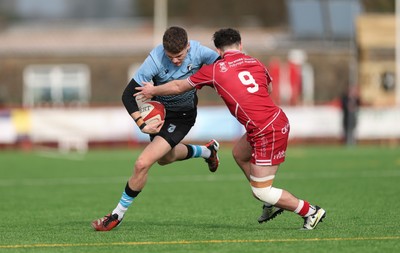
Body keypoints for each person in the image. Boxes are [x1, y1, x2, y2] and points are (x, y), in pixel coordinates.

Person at [136, 28, 326, 230]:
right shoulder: (256, 63)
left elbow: (177, 87)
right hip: (272, 121)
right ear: (241, 45)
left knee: (261, 191)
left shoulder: (216, 69)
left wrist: (153, 90)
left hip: (266, 130)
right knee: (239, 154)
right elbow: (268, 90)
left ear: (218, 51)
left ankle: (310, 211)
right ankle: (270, 200)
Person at [91, 26, 220, 231]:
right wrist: (142, 125)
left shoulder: (201, 52)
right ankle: (207, 151)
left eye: (179, 56)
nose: (175, 61)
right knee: (164, 158)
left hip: (184, 116)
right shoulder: (155, 59)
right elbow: (127, 95)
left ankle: (116, 215)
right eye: (171, 57)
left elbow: (226, 68)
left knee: (142, 163)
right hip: (163, 116)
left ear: (188, 46)